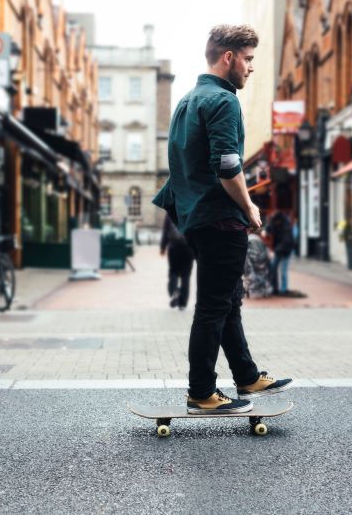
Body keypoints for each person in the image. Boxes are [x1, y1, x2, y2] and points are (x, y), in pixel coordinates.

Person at [153, 24, 292, 415]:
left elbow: (182, 166)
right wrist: (249, 207)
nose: (250, 68)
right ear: (228, 57)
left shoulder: (188, 100)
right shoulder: (223, 101)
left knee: (228, 300)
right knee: (214, 306)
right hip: (220, 219)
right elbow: (228, 164)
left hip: (196, 218)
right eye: (248, 59)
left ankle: (246, 375)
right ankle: (201, 391)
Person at [160, 214, 194, 310]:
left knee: (173, 271)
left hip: (173, 247)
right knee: (186, 275)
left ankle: (174, 290)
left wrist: (163, 247)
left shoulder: (171, 211)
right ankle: (182, 303)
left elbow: (165, 231)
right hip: (188, 248)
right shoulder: (192, 208)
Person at [264, 211, 295, 295]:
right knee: (273, 267)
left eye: (276, 222)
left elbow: (286, 241)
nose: (275, 223)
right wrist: (265, 231)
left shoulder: (286, 226)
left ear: (280, 221)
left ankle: (283, 290)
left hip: (286, 250)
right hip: (278, 249)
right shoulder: (273, 222)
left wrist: (275, 251)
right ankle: (274, 288)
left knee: (283, 270)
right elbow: (268, 229)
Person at [243, 231, 273, 298]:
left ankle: (252, 292)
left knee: (249, 276)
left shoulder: (250, 239)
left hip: (253, 262)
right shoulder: (258, 240)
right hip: (260, 262)